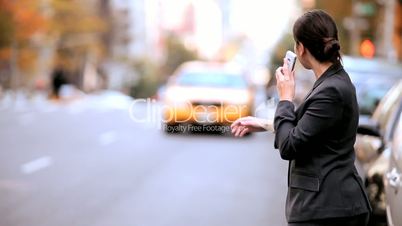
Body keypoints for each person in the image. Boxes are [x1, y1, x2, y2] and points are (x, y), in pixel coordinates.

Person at [231, 10, 371, 226]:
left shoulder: (331, 90)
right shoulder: (332, 82)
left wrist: (285, 98)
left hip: (327, 210)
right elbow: (313, 130)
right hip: (330, 208)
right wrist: (265, 124)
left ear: (301, 49)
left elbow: (290, 146)